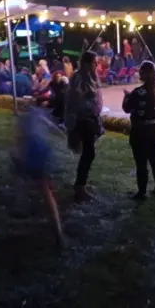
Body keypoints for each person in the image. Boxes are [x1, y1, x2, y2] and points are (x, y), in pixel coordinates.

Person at [11, 107, 65, 247]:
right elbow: (53, 127)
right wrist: (63, 136)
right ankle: (57, 230)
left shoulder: (24, 118)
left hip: (33, 150)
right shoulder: (40, 114)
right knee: (45, 188)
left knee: (23, 177)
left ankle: (21, 205)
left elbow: (20, 138)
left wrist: (17, 153)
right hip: (43, 150)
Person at [122, 61, 155, 200]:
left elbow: (127, 108)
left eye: (141, 71)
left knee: (141, 161)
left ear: (146, 73)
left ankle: (142, 192)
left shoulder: (139, 92)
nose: (139, 73)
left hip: (141, 129)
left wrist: (127, 97)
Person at [65, 51, 103, 202]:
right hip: (83, 120)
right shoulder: (78, 78)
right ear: (87, 63)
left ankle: (81, 184)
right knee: (89, 153)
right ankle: (79, 187)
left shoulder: (92, 77)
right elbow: (75, 100)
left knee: (89, 153)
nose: (97, 65)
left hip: (91, 118)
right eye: (95, 62)